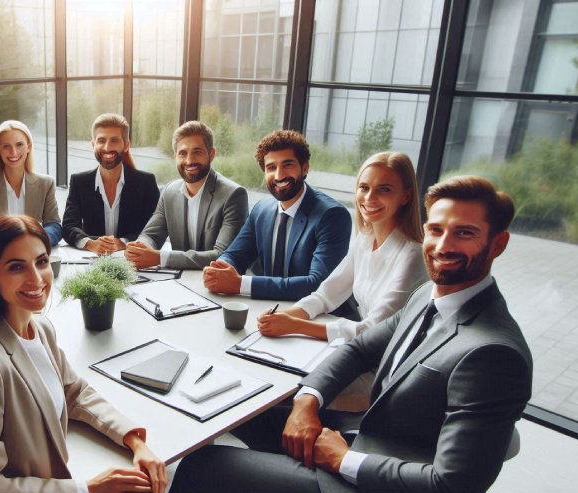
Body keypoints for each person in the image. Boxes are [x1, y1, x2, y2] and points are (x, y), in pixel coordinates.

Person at [167, 176, 532, 493]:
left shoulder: (493, 353)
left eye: (464, 233)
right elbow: (359, 349)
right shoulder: (429, 296)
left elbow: (451, 490)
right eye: (437, 230)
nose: (444, 246)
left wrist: (342, 461)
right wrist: (307, 401)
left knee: (200, 469)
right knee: (248, 413)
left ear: (498, 243)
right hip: (370, 447)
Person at [0, 215, 187, 493]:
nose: (36, 279)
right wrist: (86, 492)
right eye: (17, 267)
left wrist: (136, 442)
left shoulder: (38, 327)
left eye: (41, 262)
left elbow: (74, 392)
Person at [255, 151, 428, 411]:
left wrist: (294, 325)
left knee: (279, 395)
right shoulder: (365, 238)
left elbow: (372, 331)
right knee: (268, 374)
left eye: (384, 190)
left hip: (383, 373)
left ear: (405, 195)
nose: (369, 198)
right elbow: (326, 294)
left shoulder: (412, 255)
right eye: (364, 188)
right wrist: (285, 316)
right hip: (360, 354)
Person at [203, 129, 350, 300]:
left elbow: (317, 284)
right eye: (271, 167)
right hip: (269, 310)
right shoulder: (261, 210)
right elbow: (235, 255)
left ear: (305, 168)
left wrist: (239, 284)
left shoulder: (332, 216)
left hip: (320, 318)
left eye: (287, 165)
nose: (279, 175)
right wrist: (220, 270)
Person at [126, 121, 248, 270]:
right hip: (179, 281)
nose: (189, 161)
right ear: (175, 156)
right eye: (182, 153)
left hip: (218, 283)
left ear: (211, 154)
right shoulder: (169, 192)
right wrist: (140, 248)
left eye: (197, 152)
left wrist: (160, 258)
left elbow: (222, 255)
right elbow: (151, 235)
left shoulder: (234, 195)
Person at [62, 113, 159, 255]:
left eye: (114, 140)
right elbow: (68, 226)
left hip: (132, 258)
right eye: (101, 140)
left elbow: (153, 228)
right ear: (93, 144)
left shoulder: (146, 182)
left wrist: (122, 242)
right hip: (91, 260)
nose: (107, 147)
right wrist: (91, 244)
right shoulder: (79, 182)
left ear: (126, 145)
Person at [0, 120, 63, 245]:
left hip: (33, 252)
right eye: (6, 146)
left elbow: (54, 225)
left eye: (19, 144)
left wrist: (36, 241)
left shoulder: (46, 184)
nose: (14, 152)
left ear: (29, 147)